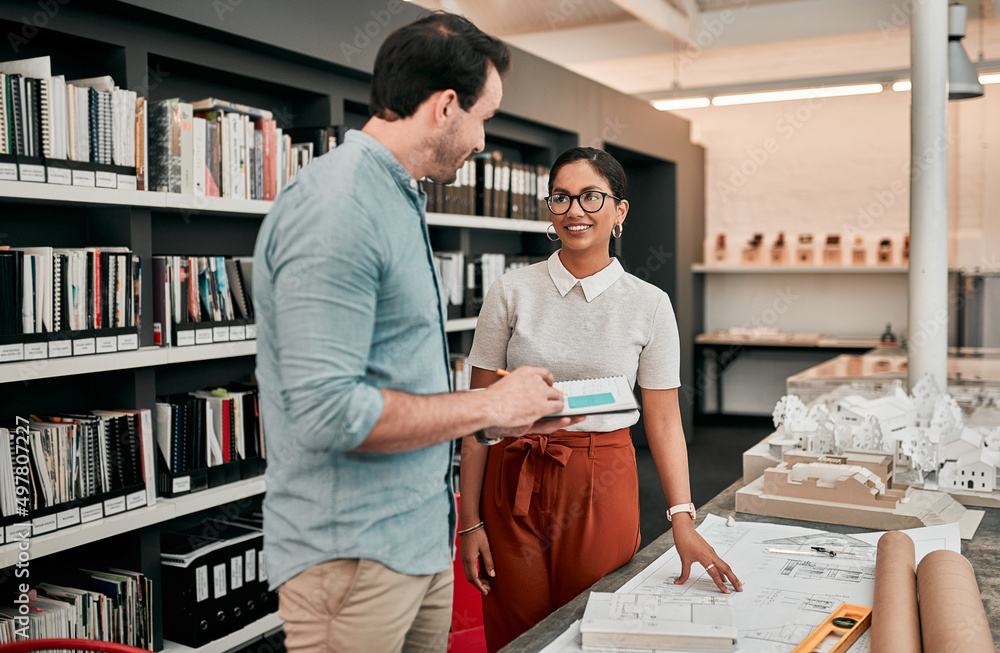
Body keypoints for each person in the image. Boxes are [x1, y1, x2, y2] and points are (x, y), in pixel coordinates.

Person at [252, 13, 583, 653]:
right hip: (352, 558)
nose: (484, 140)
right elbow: (328, 413)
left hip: (417, 541)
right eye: (485, 116)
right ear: (445, 106)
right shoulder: (338, 207)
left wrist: (499, 419)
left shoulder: (398, 198)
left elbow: (398, 382)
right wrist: (489, 402)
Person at [459, 146, 743, 652]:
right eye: (562, 198)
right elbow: (478, 412)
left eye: (591, 197)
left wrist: (683, 518)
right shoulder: (510, 291)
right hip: (513, 475)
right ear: (549, 209)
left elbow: (664, 421)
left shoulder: (650, 305)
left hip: (600, 477)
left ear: (619, 211)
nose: (575, 211)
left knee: (596, 627)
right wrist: (470, 523)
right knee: (517, 634)